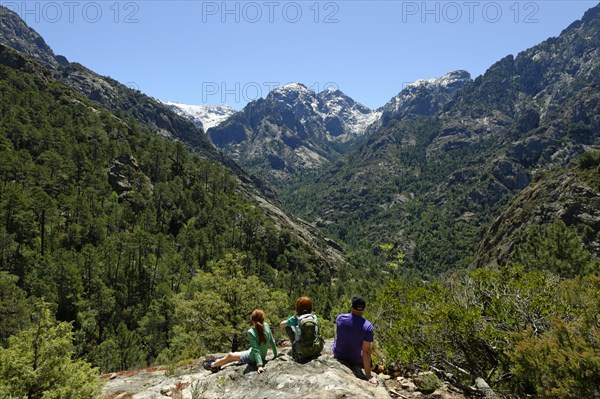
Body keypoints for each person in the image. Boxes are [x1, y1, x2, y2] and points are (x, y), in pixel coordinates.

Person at [205, 309, 278, 374]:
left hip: (252, 358)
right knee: (233, 357)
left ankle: (212, 365)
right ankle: (217, 363)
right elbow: (272, 341)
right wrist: (276, 355)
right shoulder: (266, 326)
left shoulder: (251, 332)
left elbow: (256, 350)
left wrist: (259, 366)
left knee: (230, 355)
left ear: (253, 321)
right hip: (260, 355)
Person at [332, 295, 377, 385]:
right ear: (364, 308)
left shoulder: (340, 318)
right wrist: (368, 374)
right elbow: (366, 351)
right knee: (371, 353)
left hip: (338, 354)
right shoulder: (367, 326)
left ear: (352, 306)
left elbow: (338, 336)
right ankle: (374, 368)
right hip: (355, 360)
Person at [279, 296, 324, 361]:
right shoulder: (314, 317)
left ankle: (294, 347)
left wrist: (288, 323)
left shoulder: (295, 318)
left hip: (302, 352)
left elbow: (282, 324)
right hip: (316, 349)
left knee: (287, 326)